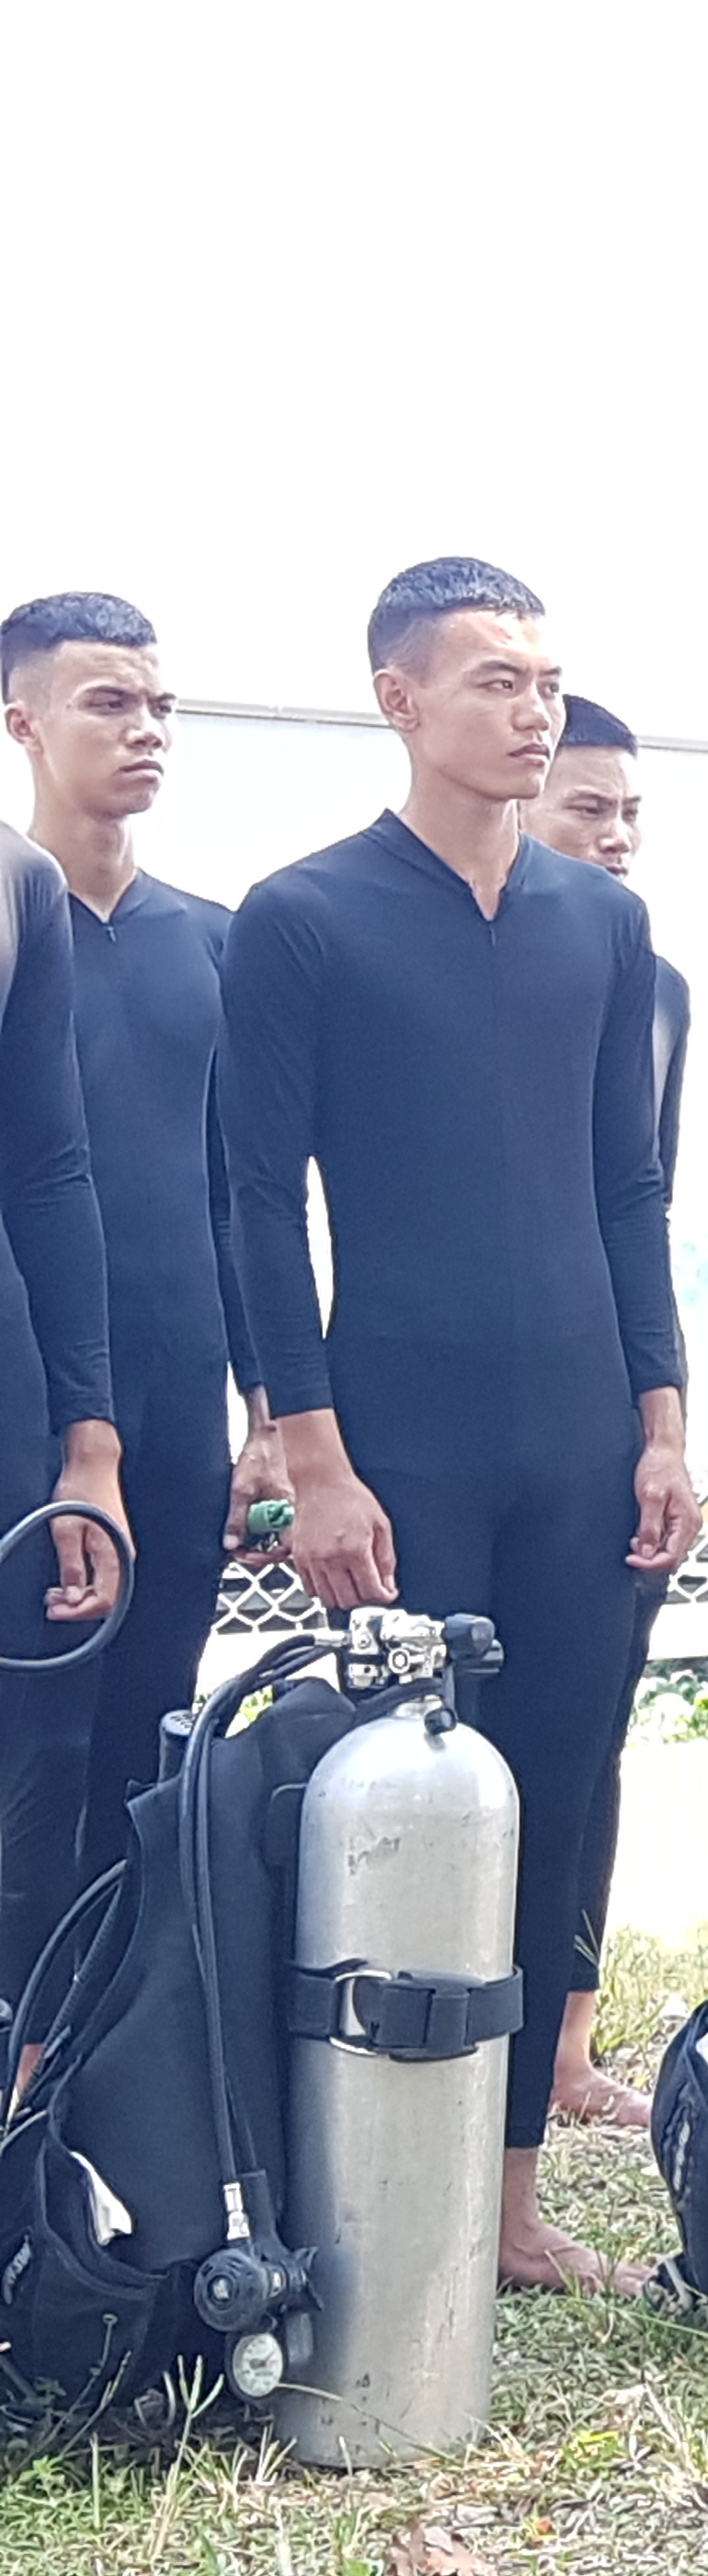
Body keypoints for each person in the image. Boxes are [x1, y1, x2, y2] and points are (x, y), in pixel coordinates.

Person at [222, 557, 694, 2293]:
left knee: (551, 1794)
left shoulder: (602, 924)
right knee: (399, 1804)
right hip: (399, 1432)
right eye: (496, 678)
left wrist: (662, 1420)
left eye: (548, 680)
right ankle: (360, 2190)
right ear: (398, 697)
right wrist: (314, 1452)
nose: (533, 709)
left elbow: (629, 1188)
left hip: (579, 1429)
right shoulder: (304, 916)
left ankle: (503, 2207)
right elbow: (256, 1203)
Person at [0, 595, 274, 2065]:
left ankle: (112, 2058)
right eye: (109, 703)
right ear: (24, 723)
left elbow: (239, 1198)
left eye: (160, 706)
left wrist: (267, 1415)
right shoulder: (15, 919)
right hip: (39, 1395)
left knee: (154, 1727)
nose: (146, 730)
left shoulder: (214, 943)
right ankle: (26, 2053)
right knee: (35, 1750)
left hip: (178, 1400)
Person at [517, 692, 680, 2128]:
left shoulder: (649, 975)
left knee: (596, 1730)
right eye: (590, 808)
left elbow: (641, 1202)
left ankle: (569, 2042)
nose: (618, 835)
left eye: (633, 812)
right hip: (469, 1398)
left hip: (615, 1394)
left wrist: (663, 1419)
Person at [0, 779, 120, 2094]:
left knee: (32, 1756)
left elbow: (47, 1169)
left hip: (12, 1385)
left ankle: (24, 2109)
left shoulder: (18, 880)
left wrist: (90, 1446)